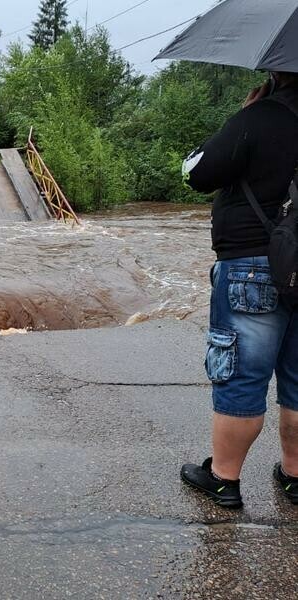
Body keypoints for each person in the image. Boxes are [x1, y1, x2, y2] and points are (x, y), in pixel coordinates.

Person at [180, 71, 298, 509]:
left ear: (278, 69)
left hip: (255, 262)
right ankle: (295, 476)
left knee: (242, 376)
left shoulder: (261, 118)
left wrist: (244, 116)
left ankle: (223, 479)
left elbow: (198, 171)